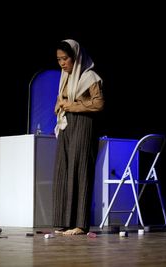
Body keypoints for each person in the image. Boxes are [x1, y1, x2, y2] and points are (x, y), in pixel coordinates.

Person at [52, 39, 104, 235]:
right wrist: (58, 105)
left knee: (80, 171)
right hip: (67, 125)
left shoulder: (90, 76)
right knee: (63, 171)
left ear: (76, 57)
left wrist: (72, 106)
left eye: (65, 59)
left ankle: (81, 224)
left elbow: (98, 104)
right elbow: (62, 98)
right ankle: (64, 221)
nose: (62, 63)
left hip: (84, 126)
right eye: (59, 60)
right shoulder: (65, 77)